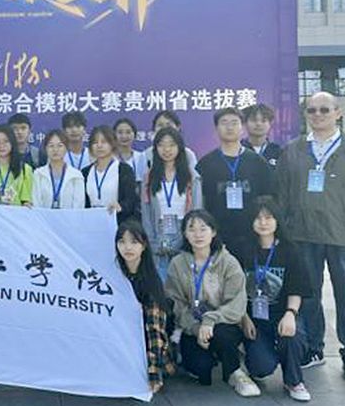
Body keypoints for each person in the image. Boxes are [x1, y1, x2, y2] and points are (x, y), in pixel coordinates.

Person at [276, 91, 345, 382]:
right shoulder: (294, 150)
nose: (318, 115)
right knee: (308, 295)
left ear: (338, 113)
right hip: (303, 235)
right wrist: (285, 234)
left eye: (325, 109)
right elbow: (282, 195)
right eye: (312, 110)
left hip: (344, 237)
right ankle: (313, 348)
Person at [165, 210, 257, 396]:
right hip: (192, 326)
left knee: (222, 335)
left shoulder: (228, 262)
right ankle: (210, 356)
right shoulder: (177, 263)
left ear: (213, 232)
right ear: (184, 234)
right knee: (201, 369)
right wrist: (196, 327)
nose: (198, 234)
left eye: (203, 228)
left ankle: (234, 372)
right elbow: (176, 303)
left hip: (223, 324)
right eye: (191, 229)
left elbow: (236, 304)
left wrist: (210, 320)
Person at [240, 197, 312, 402]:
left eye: (269, 217)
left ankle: (293, 381)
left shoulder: (291, 250)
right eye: (258, 218)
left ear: (277, 220)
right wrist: (243, 318)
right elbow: (235, 290)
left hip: (282, 314)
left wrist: (291, 314)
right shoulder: (242, 249)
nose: (263, 222)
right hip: (254, 319)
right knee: (261, 367)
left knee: (292, 335)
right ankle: (252, 355)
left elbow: (297, 287)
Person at [195, 107, 274, 267]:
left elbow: (269, 199)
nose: (229, 127)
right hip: (217, 236)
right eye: (224, 123)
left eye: (234, 123)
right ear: (216, 128)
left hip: (252, 235)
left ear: (242, 127)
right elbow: (200, 202)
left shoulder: (257, 162)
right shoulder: (205, 164)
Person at [115, 220, 175, 393]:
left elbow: (154, 330)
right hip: (122, 339)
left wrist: (154, 372)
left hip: (147, 343)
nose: (128, 247)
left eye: (134, 242)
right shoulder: (114, 274)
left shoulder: (150, 282)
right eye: (122, 241)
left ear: (144, 245)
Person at [141, 127, 202, 280]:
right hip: (158, 232)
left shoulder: (191, 176)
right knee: (160, 281)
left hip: (184, 232)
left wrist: (186, 237)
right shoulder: (148, 177)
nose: (166, 149)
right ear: (155, 149)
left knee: (183, 282)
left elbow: (197, 210)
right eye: (161, 145)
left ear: (180, 147)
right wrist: (153, 242)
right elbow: (146, 212)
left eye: (171, 145)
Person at [81, 126, 139, 224]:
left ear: (112, 144)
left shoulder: (124, 170)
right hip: (91, 223)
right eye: (95, 142)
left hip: (118, 223)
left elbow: (131, 200)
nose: (99, 145)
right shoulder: (85, 172)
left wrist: (120, 207)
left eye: (104, 142)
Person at [0, 126, 33, 206]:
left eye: (6, 141)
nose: (2, 146)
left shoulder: (25, 169)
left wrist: (27, 204)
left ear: (12, 143)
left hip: (15, 213)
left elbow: (26, 201)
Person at [31, 130, 85, 209]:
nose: (55, 150)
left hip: (69, 217)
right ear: (45, 149)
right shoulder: (38, 174)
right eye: (51, 146)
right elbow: (36, 203)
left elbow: (78, 206)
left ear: (66, 148)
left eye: (60, 146)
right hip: (43, 216)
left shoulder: (76, 175)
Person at [113, 118, 147, 184]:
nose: (124, 136)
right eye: (120, 132)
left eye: (128, 132)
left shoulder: (141, 156)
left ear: (134, 135)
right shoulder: (110, 158)